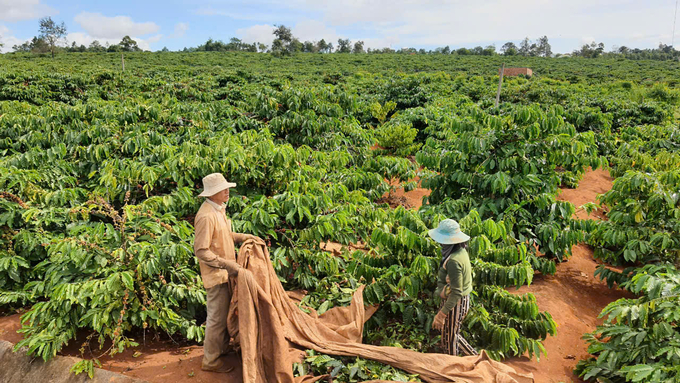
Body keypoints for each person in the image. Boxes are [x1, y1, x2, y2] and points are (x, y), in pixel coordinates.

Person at [194, 173, 262, 373]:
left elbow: (224, 235)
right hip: (217, 275)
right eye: (223, 189)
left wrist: (243, 237)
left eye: (227, 188)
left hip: (225, 272)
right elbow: (201, 250)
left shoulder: (218, 210)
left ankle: (221, 349)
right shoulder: (206, 216)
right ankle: (211, 361)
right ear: (212, 193)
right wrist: (227, 265)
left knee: (223, 315)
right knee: (216, 317)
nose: (227, 191)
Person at [428, 219, 478, 356]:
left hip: (456, 302)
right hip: (458, 300)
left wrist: (441, 314)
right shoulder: (460, 250)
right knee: (448, 335)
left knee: (450, 339)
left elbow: (456, 293)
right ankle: (477, 358)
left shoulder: (454, 261)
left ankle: (454, 367)